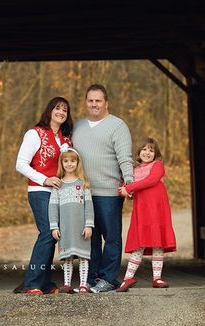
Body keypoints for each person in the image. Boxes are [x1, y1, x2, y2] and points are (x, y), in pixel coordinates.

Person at [72, 84, 134, 293]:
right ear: (86, 102)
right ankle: (91, 277)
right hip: (83, 193)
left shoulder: (117, 126)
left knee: (112, 237)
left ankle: (108, 278)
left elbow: (125, 158)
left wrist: (129, 183)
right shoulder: (78, 126)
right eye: (90, 100)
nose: (94, 104)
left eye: (98, 100)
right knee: (90, 237)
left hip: (109, 192)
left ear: (106, 103)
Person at [15, 96, 73, 295]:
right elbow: (21, 164)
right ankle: (32, 283)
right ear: (49, 111)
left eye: (65, 110)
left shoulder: (66, 139)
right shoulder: (35, 133)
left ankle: (45, 283)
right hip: (40, 191)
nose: (61, 112)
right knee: (47, 233)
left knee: (54, 236)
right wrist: (44, 179)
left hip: (60, 193)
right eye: (57, 108)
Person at [116, 138, 177, 292]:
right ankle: (128, 278)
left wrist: (129, 188)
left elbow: (151, 180)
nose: (147, 152)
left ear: (155, 154)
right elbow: (125, 186)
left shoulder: (158, 166)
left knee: (157, 243)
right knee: (140, 243)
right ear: (138, 152)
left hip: (157, 211)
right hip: (141, 211)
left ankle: (157, 278)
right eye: (144, 149)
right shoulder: (133, 170)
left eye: (151, 150)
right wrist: (125, 190)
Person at [49, 146, 94, 294]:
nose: (69, 164)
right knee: (67, 257)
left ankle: (82, 284)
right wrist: (54, 226)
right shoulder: (58, 186)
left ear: (77, 163)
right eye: (66, 161)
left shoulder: (83, 183)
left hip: (81, 228)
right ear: (61, 163)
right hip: (65, 228)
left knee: (83, 257)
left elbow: (89, 207)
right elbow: (53, 207)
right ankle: (67, 284)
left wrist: (88, 225)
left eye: (72, 161)